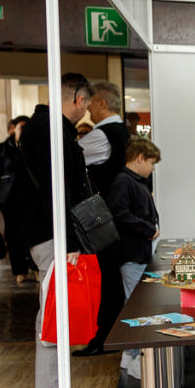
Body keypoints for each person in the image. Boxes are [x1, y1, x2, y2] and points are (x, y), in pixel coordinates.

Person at [17, 72, 103, 388]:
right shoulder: (48, 130)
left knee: (59, 316)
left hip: (51, 233)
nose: (86, 112)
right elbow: (57, 190)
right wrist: (69, 240)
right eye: (86, 105)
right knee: (54, 318)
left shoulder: (47, 127)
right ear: (79, 99)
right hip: (52, 236)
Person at [73, 82, 131, 356]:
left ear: (102, 104)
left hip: (102, 221)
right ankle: (112, 336)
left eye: (91, 103)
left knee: (106, 282)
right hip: (121, 218)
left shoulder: (101, 136)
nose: (87, 110)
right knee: (113, 281)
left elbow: (69, 161)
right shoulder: (124, 133)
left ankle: (105, 338)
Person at [105, 137, 161, 379]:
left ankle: (130, 356)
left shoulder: (132, 181)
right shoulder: (123, 182)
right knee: (138, 309)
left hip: (138, 253)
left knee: (136, 306)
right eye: (151, 162)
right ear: (140, 158)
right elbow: (119, 214)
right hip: (131, 254)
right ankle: (137, 359)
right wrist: (148, 229)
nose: (152, 168)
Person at [0, 114, 35, 284]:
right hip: (8, 198)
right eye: (21, 127)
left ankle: (35, 268)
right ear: (13, 129)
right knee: (13, 236)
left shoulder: (33, 146)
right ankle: (19, 271)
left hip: (31, 198)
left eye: (26, 128)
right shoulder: (3, 147)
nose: (23, 130)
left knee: (31, 234)